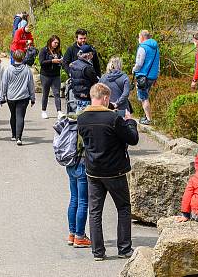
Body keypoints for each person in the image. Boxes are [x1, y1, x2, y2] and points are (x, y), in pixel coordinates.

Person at [77, 83, 139, 262]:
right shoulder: (113, 119)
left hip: (93, 170)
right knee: (123, 208)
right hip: (114, 170)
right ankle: (124, 248)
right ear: (105, 98)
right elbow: (132, 139)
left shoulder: (82, 118)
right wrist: (130, 122)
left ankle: (98, 252)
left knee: (95, 211)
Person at [54, 112, 91, 248]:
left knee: (74, 199)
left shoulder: (70, 124)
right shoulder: (82, 126)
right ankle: (79, 236)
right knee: (83, 201)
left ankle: (72, 234)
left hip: (70, 164)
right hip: (81, 164)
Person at [0, 49, 36, 146]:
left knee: (13, 115)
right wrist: (33, 98)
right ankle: (19, 137)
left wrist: (2, 97)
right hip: (23, 97)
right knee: (20, 116)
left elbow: (4, 84)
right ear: (23, 58)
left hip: (11, 97)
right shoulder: (27, 70)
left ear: (13, 58)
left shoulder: (8, 70)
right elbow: (31, 85)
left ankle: (13, 134)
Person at [132, 30, 160, 125]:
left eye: (139, 37)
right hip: (152, 76)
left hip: (143, 76)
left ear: (142, 37)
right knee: (146, 95)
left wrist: (134, 69)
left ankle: (148, 119)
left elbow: (139, 63)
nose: (138, 39)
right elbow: (158, 63)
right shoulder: (155, 48)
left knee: (144, 97)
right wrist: (156, 75)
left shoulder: (142, 48)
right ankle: (146, 116)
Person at [39, 35, 64, 119]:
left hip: (56, 75)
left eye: (58, 43)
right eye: (55, 42)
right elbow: (41, 62)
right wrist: (52, 61)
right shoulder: (44, 50)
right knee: (45, 93)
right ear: (50, 42)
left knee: (57, 93)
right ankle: (43, 111)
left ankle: (59, 111)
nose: (56, 44)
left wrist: (61, 61)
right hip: (45, 75)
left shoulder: (59, 51)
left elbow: (61, 60)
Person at [68, 45, 99, 111]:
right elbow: (95, 81)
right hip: (86, 97)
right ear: (88, 55)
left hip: (75, 96)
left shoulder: (73, 64)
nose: (92, 55)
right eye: (92, 53)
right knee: (86, 118)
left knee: (78, 117)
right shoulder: (87, 68)